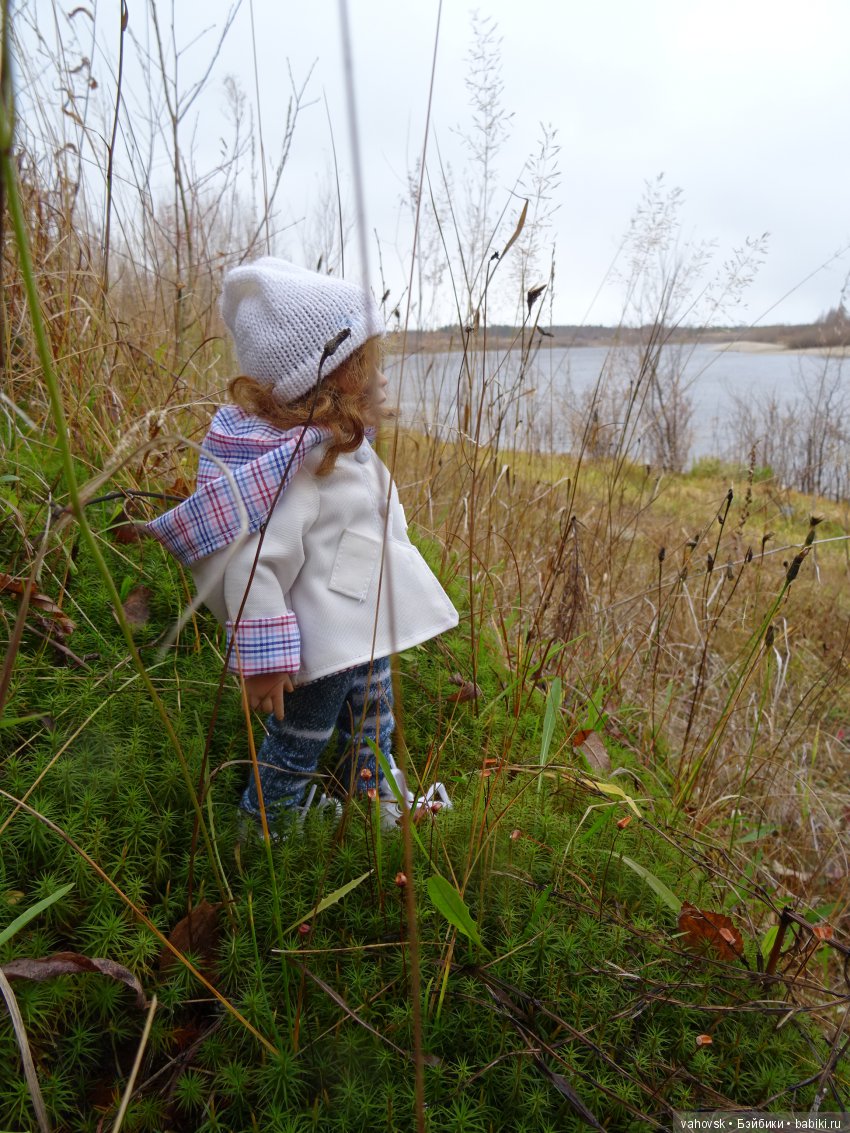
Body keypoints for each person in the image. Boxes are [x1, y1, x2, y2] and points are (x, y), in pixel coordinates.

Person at [147, 257, 459, 836]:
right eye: (365, 368)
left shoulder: (342, 449)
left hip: (362, 616)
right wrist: (265, 661)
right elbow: (251, 566)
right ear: (324, 384)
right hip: (319, 639)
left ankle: (376, 791)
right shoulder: (301, 473)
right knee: (301, 737)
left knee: (374, 715)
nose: (381, 380)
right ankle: (267, 824)